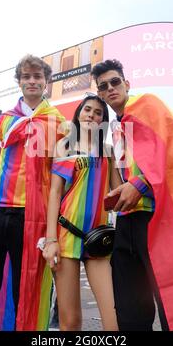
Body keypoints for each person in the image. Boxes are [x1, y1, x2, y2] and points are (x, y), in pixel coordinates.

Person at [91, 59, 173, 331]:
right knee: (130, 308)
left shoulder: (149, 105)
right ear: (101, 94)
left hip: (158, 219)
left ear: (127, 84)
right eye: (104, 86)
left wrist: (139, 185)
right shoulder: (117, 131)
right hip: (126, 223)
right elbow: (129, 172)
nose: (111, 89)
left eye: (115, 82)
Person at [0, 54, 65, 331]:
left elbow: (58, 180)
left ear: (46, 82)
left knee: (25, 296)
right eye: (26, 76)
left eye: (37, 76)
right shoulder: (5, 120)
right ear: (19, 82)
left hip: (31, 220)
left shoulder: (58, 123)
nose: (32, 81)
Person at [43, 95, 119, 331]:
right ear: (78, 113)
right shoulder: (64, 145)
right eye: (87, 110)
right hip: (66, 236)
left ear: (103, 121)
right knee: (71, 322)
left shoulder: (107, 150)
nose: (91, 115)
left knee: (114, 319)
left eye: (98, 113)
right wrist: (51, 240)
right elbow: (55, 194)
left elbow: (117, 192)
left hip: (99, 239)